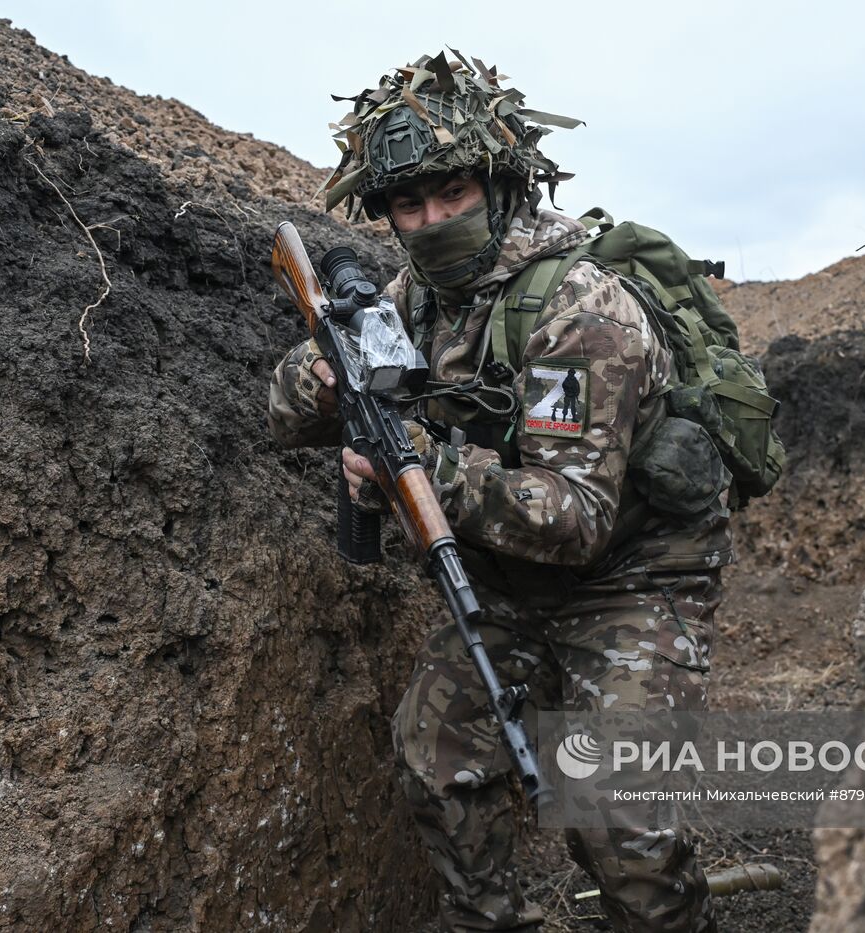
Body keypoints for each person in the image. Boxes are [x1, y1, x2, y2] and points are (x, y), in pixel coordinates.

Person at [267, 50, 732, 932]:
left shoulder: (580, 308)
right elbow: (281, 412)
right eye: (408, 204)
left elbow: (578, 521)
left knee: (618, 810)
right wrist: (328, 374)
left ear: (501, 182)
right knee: (433, 765)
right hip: (500, 574)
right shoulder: (406, 302)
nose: (431, 219)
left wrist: (417, 463)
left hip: (631, 575)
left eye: (453, 193)